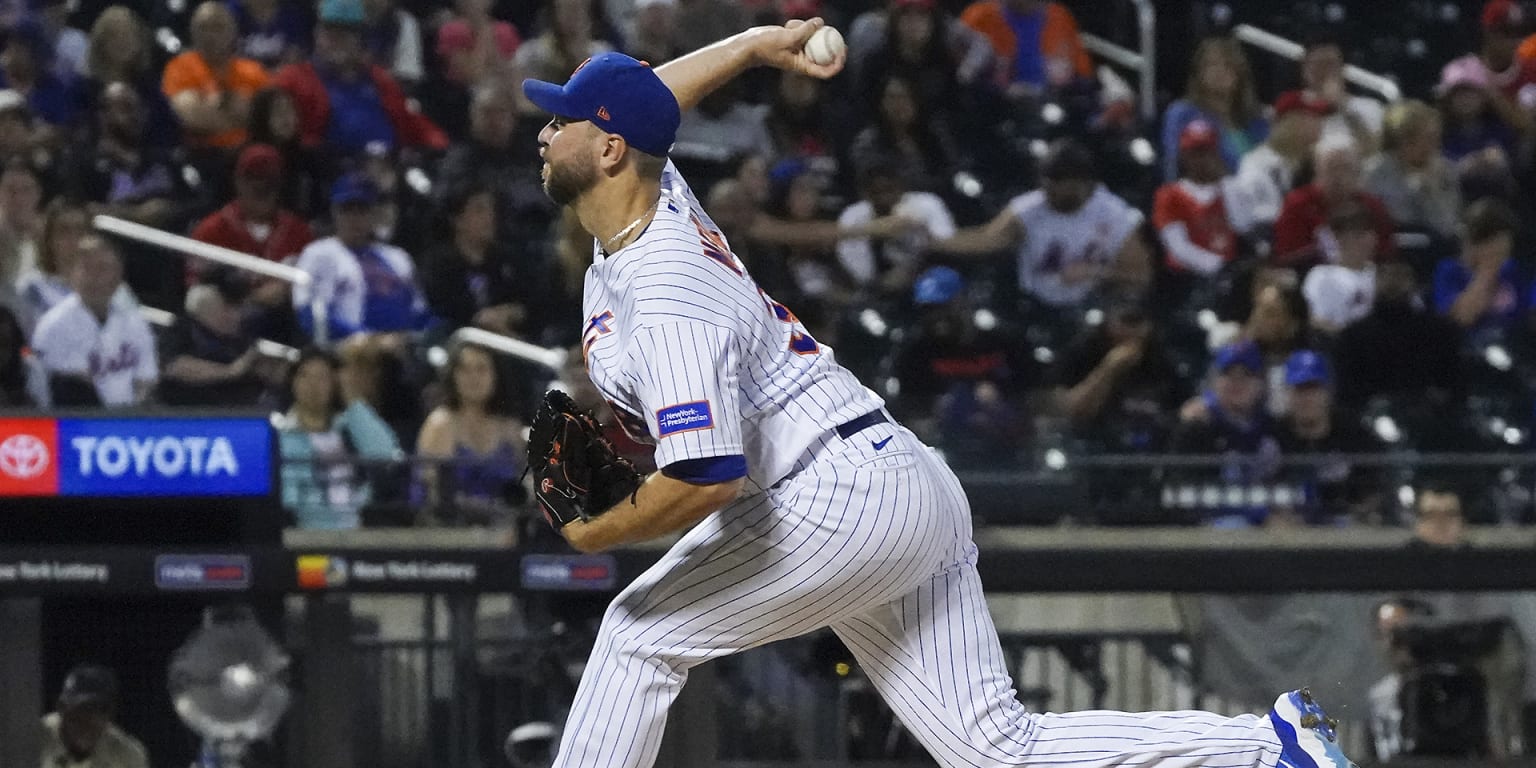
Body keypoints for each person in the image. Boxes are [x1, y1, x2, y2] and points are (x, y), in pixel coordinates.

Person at [520, 22, 1357, 768]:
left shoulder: (666, 288)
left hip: (826, 501)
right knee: (996, 748)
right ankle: (1269, 748)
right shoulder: (657, 196)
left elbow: (709, 475)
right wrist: (753, 43)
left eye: (559, 120)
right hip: (896, 479)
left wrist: (606, 526)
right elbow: (648, 100)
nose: (544, 131)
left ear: (607, 151)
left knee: (637, 637)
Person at [934, 139, 1152, 309]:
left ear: (1084, 184)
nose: (1050, 194)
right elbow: (986, 238)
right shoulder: (1030, 209)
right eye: (1047, 185)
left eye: (1059, 187)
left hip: (1092, 302)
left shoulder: (1113, 214)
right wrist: (935, 241)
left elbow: (1139, 276)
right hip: (1035, 305)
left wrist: (1096, 273)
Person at [273, 346, 401, 528]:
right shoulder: (280, 434)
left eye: (322, 377)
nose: (313, 385)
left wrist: (353, 402)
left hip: (355, 530)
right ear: (292, 382)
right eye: (304, 376)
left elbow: (386, 454)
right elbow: (285, 499)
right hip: (304, 534)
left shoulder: (350, 427)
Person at [30, 235, 156, 406]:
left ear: (119, 275)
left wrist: (131, 417)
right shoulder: (53, 325)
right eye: (88, 269)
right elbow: (70, 387)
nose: (97, 278)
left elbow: (146, 379)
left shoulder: (134, 321)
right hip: (75, 421)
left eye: (104, 268)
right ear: (72, 274)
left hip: (129, 420)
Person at [415, 341, 526, 526]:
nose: (473, 378)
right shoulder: (441, 424)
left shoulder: (510, 428)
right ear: (453, 376)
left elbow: (522, 486)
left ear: (495, 375)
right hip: (448, 533)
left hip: (504, 533)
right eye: (464, 370)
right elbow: (435, 493)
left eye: (481, 369)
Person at [161, 1, 270, 150]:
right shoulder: (179, 67)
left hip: (249, 151)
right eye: (203, 28)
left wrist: (213, 106)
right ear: (192, 32)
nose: (210, 35)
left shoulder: (254, 70)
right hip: (202, 153)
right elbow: (193, 118)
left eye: (217, 27)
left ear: (233, 32)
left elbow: (267, 118)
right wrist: (238, 116)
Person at [1161, 37, 1268, 180]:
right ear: (1199, 72)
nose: (1220, 72)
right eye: (1211, 65)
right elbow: (1173, 165)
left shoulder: (1257, 120)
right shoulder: (1183, 113)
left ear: (1240, 73)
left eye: (1227, 65)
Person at [39, 664, 149, 768]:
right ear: (61, 708)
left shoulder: (126, 754)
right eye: (83, 708)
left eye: (102, 710)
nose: (92, 720)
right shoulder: (34, 740)